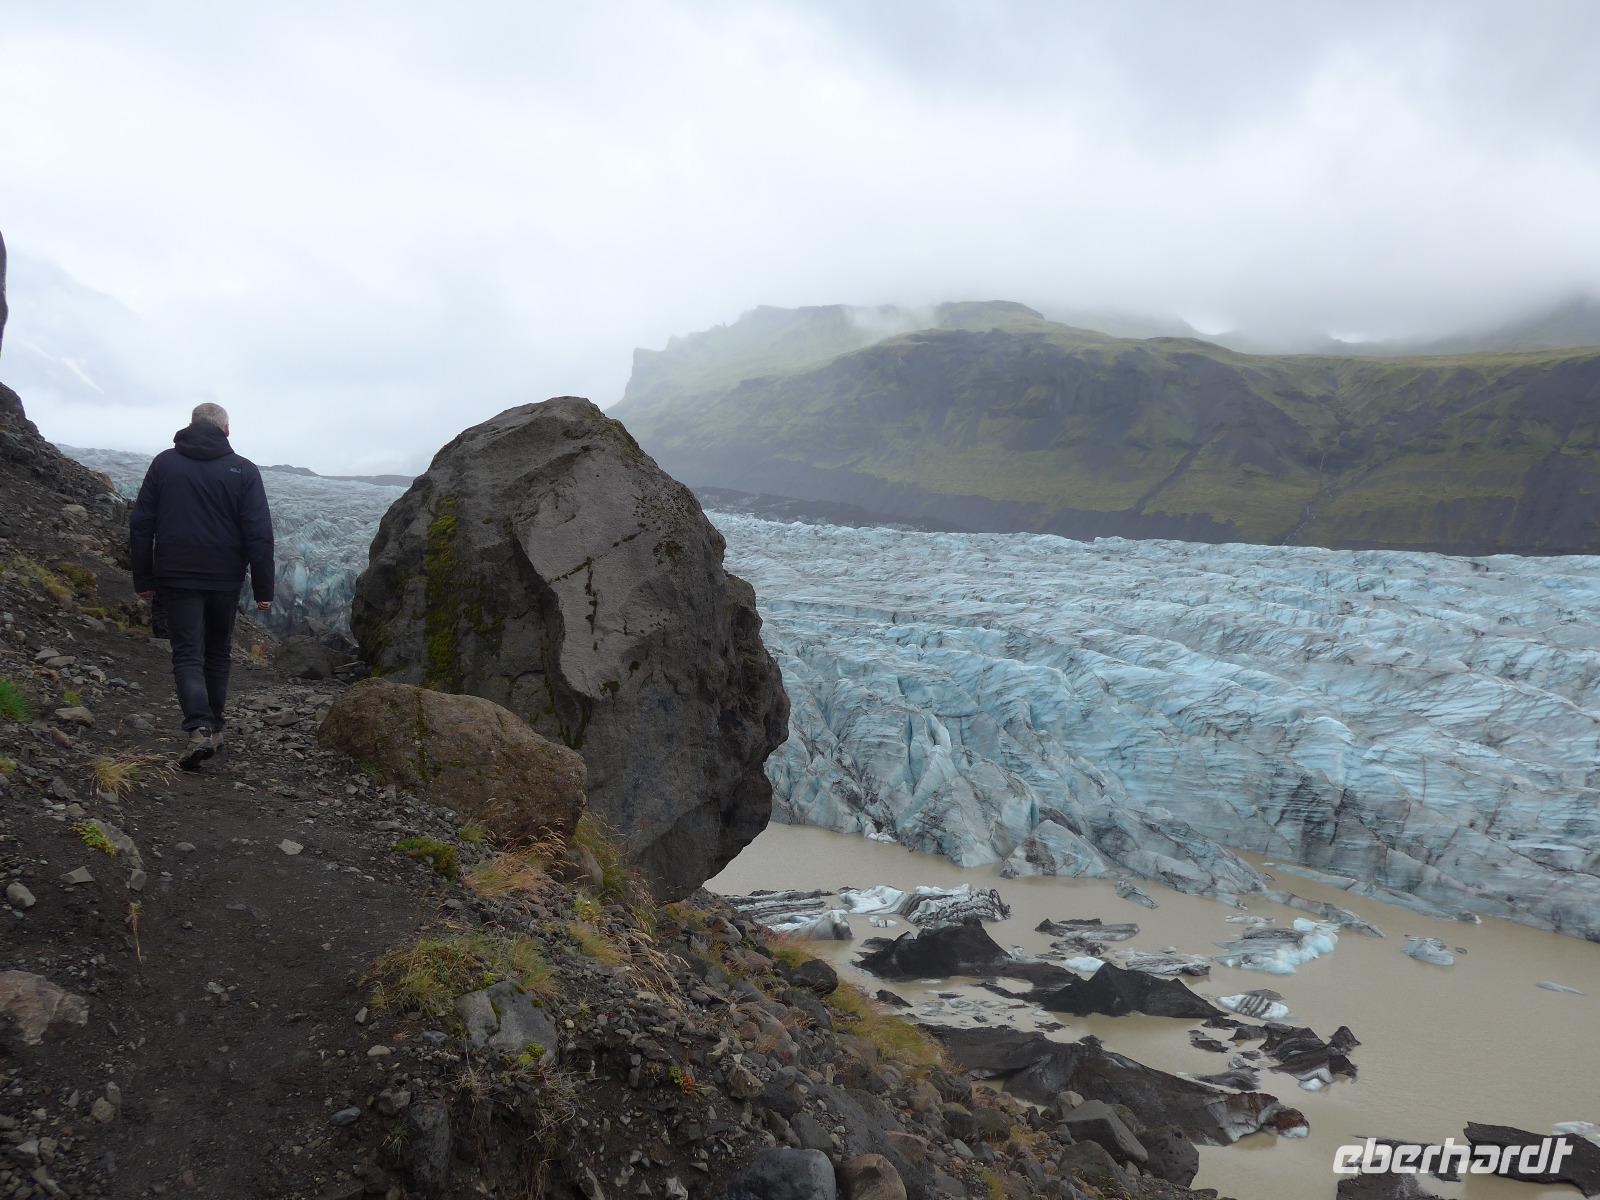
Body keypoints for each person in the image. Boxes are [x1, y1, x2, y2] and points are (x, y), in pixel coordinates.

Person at [130, 403, 274, 768]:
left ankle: (200, 729)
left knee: (187, 653)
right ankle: (214, 728)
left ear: (192, 425)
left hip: (176, 575)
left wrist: (143, 578)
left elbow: (142, 523)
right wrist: (264, 589)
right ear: (226, 430)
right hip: (225, 578)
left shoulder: (164, 464)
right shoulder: (244, 470)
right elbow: (259, 533)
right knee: (218, 651)